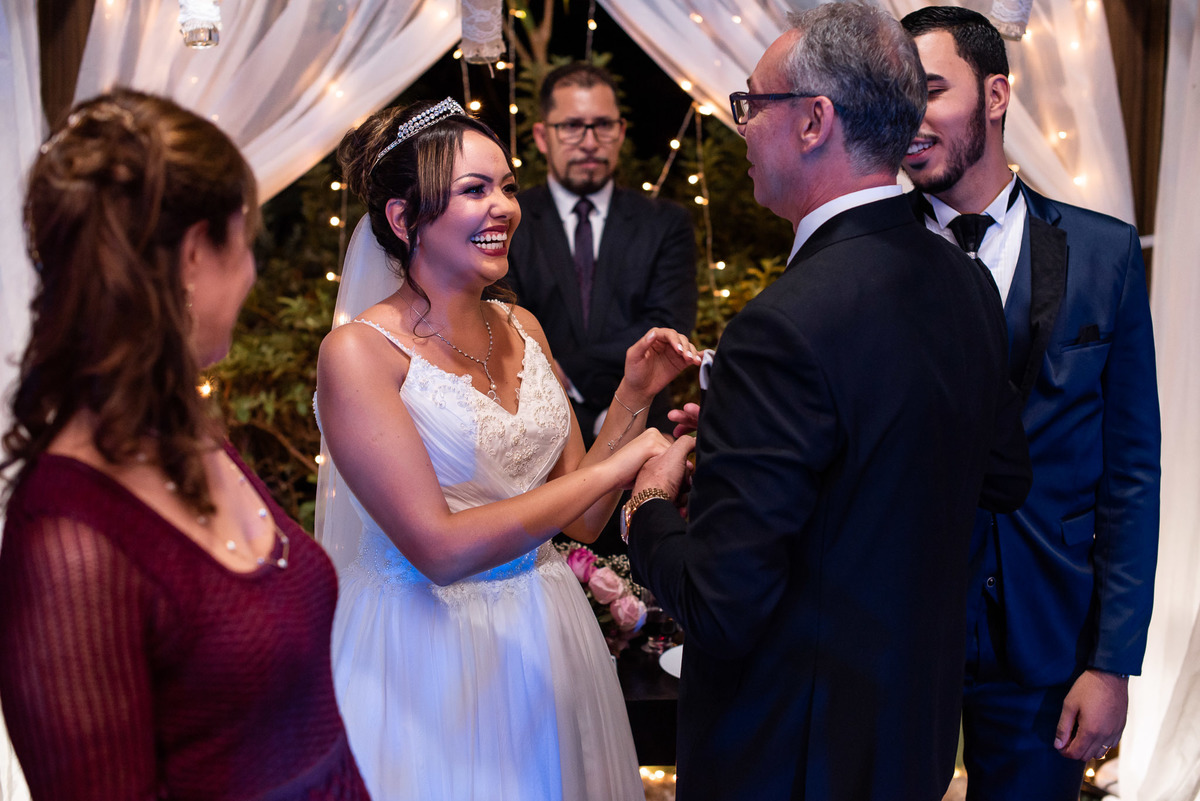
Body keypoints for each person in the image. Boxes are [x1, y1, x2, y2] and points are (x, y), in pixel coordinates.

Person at [623, 6, 1032, 800]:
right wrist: (779, 444)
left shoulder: (781, 326)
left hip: (789, 755)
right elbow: (999, 475)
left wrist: (646, 507)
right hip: (910, 736)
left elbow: (721, 604)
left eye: (750, 105)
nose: (739, 127)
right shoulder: (965, 280)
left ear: (813, 121)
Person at [314, 98, 700, 800]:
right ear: (405, 220)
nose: (503, 208)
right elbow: (437, 547)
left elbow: (580, 515)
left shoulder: (520, 323)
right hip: (429, 650)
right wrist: (621, 462)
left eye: (507, 186)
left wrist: (632, 393)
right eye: (473, 190)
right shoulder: (361, 354)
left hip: (545, 630)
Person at [0, 90, 368, 799]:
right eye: (246, 239)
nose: (254, 270)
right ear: (197, 253)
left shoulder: (193, 432)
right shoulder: (68, 537)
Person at [899, 8, 1161, 799]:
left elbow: (1131, 476)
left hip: (1050, 640)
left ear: (997, 93)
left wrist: (1111, 660)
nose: (910, 118)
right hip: (900, 636)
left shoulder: (1103, 253)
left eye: (932, 91)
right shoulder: (866, 258)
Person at [506, 62, 697, 447]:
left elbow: (666, 326)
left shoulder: (665, 222)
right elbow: (504, 321)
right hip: (533, 433)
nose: (590, 142)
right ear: (543, 136)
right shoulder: (509, 219)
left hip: (646, 432)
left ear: (621, 131)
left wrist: (568, 369)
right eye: (573, 126)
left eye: (603, 125)